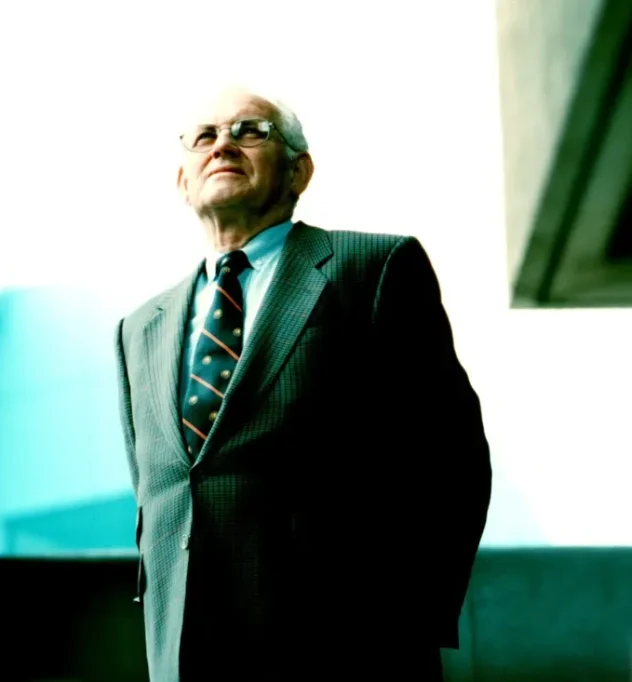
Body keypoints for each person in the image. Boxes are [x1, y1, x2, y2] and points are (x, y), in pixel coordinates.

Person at [113, 85, 493, 681]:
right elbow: (157, 494)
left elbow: (453, 459)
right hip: (186, 650)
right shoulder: (139, 329)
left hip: (345, 646)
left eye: (250, 131)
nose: (224, 146)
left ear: (300, 171)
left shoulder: (371, 268)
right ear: (183, 182)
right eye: (205, 137)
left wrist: (408, 624)